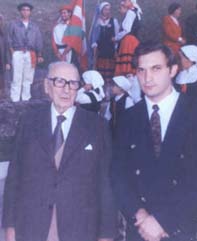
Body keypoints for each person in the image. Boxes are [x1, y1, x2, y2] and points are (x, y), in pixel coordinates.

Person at [110, 41, 197, 241]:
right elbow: (119, 175)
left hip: (186, 228)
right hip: (141, 230)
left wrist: (163, 220)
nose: (147, 78)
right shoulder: (127, 118)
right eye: (141, 70)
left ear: (172, 70)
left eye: (156, 68)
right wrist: (140, 215)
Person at [2, 61, 116, 241]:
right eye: (60, 82)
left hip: (80, 229)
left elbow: (106, 184)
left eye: (72, 83)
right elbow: (14, 177)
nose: (67, 89)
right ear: (47, 86)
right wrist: (9, 226)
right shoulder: (29, 122)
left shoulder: (97, 126)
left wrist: (106, 235)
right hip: (32, 227)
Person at [7, 3, 43, 102]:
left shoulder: (34, 26)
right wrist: (13, 53)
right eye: (23, 10)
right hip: (18, 52)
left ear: (30, 12)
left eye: (27, 10)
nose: (25, 12)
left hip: (31, 53)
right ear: (20, 11)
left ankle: (26, 99)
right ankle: (15, 100)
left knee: (28, 77)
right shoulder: (13, 24)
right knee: (16, 77)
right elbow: (9, 40)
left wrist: (39, 54)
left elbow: (38, 40)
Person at [89, 2, 119, 82]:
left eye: (109, 9)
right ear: (101, 10)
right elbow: (94, 37)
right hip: (100, 51)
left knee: (110, 73)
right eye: (105, 9)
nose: (107, 11)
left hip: (110, 51)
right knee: (100, 73)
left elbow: (117, 36)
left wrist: (116, 49)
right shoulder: (97, 22)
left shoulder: (114, 21)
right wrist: (95, 48)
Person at [113, 0, 142, 76]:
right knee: (131, 62)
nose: (124, 2)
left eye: (126, 1)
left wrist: (116, 38)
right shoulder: (136, 12)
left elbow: (126, 30)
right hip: (134, 40)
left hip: (128, 41)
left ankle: (128, 79)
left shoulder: (130, 13)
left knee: (127, 66)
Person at [0, 14, 10, 98]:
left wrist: (7, 62)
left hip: (1, 61)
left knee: (2, 79)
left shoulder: (3, 34)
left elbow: (6, 49)